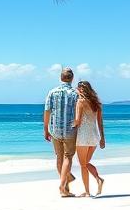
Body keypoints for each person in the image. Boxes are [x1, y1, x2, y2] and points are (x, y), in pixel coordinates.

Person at [44, 66, 78, 197]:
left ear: (60, 78)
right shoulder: (76, 93)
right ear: (72, 78)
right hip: (70, 130)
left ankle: (66, 185)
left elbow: (47, 111)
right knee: (67, 157)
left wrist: (46, 129)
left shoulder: (52, 92)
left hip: (55, 130)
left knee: (59, 158)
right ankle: (63, 186)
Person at [73, 81, 106, 197]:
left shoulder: (80, 102)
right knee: (85, 163)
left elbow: (77, 121)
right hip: (94, 136)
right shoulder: (97, 103)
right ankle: (98, 180)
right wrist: (102, 138)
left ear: (81, 90)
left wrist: (68, 126)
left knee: (83, 164)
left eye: (78, 88)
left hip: (83, 136)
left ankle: (87, 192)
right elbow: (100, 122)